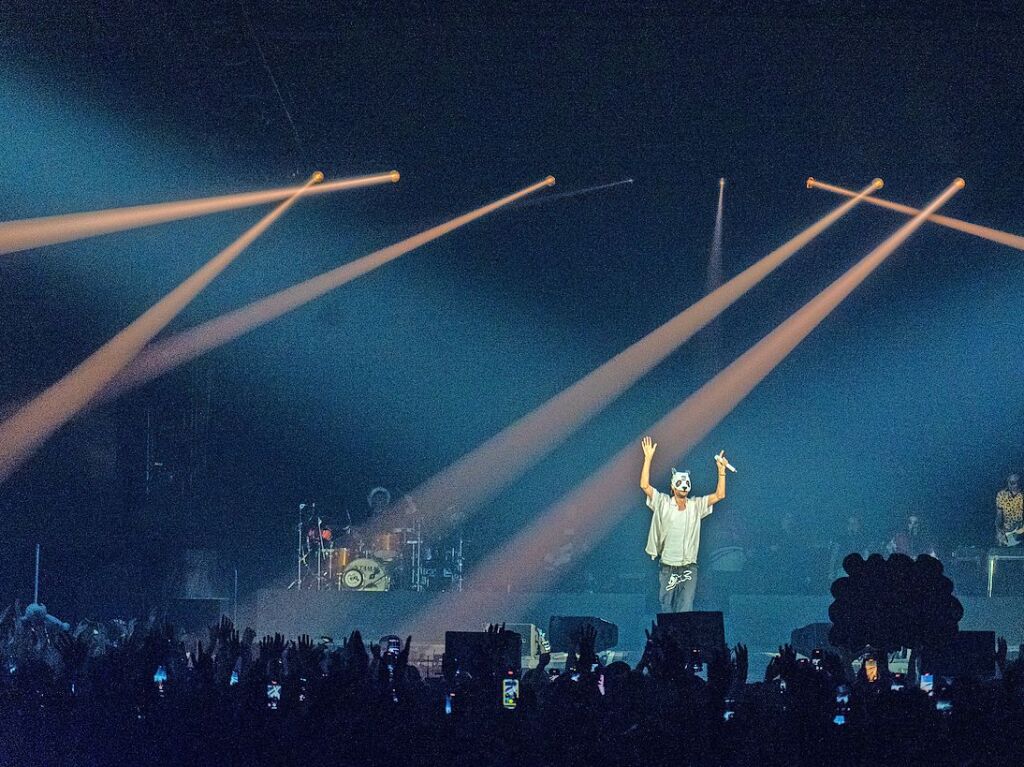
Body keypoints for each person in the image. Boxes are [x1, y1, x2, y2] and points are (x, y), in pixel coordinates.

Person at [639, 435, 728, 612]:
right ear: (673, 487)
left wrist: (721, 471)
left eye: (686, 483)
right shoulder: (663, 502)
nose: (684, 486)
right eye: (679, 483)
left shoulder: (696, 505)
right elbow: (644, 486)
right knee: (667, 609)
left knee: (685, 609)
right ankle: (667, 640)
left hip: (688, 567)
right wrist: (648, 459)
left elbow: (719, 495)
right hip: (668, 567)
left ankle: (683, 639)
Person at [996, 473, 1024, 546]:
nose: (1015, 485)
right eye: (1012, 483)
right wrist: (999, 531)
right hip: (1007, 530)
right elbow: (999, 515)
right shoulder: (1001, 495)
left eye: (1017, 482)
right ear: (1008, 482)